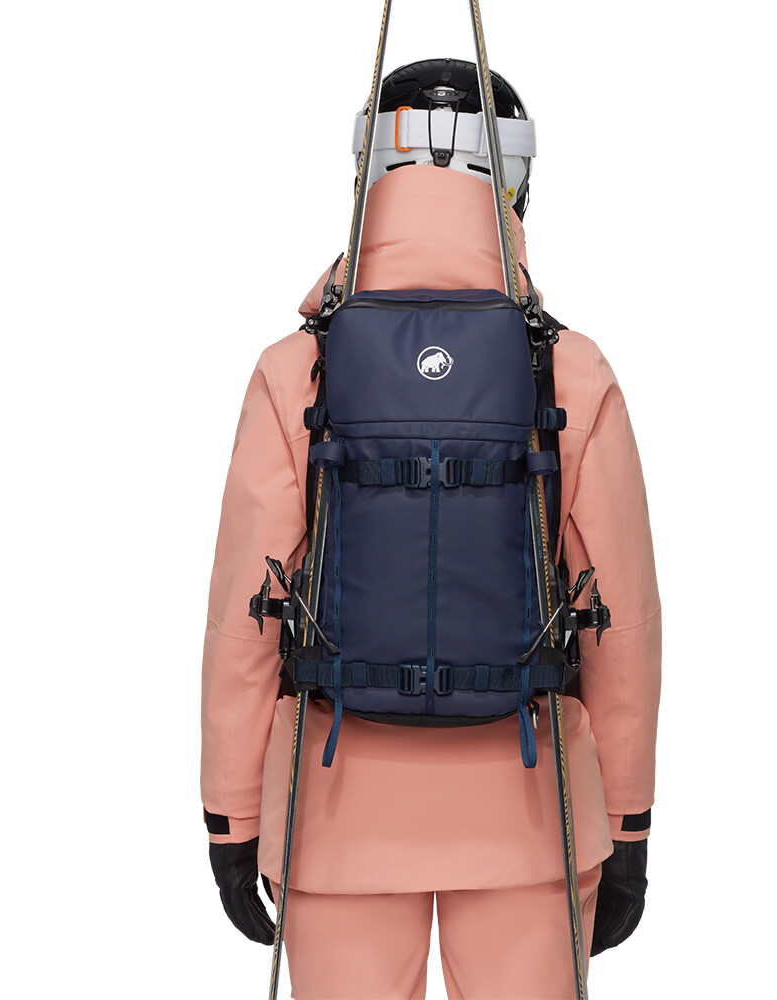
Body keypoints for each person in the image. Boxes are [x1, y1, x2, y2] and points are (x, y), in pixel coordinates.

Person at [201, 59, 661, 1000]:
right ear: (517, 181)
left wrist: (231, 816)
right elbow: (622, 621)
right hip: (533, 818)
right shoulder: (570, 371)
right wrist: (628, 824)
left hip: (334, 821)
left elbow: (245, 616)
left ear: (367, 175)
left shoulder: (296, 370)